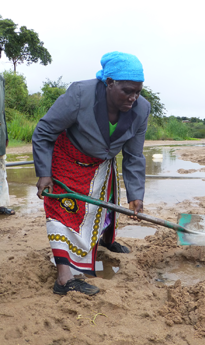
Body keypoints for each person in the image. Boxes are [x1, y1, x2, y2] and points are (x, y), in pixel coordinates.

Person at [32, 51, 150, 296]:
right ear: (109, 83)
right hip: (66, 159)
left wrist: (135, 195)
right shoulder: (79, 94)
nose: (133, 97)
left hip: (100, 165)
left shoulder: (141, 109)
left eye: (137, 91)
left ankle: (105, 242)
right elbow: (44, 131)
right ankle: (64, 278)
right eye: (127, 90)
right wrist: (44, 173)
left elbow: (134, 156)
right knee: (63, 213)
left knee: (99, 208)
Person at [0, 74, 15, 215]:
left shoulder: (1, 79)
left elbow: (2, 110)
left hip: (0, 133)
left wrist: (5, 134)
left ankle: (1, 204)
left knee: (1, 170)